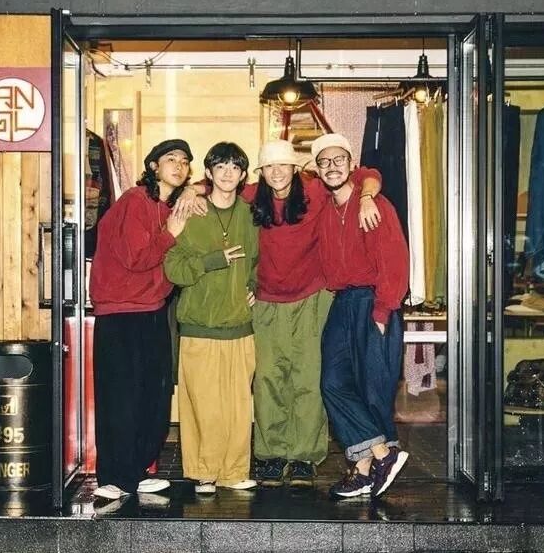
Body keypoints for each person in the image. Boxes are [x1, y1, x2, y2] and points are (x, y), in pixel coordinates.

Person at [246, 139, 382, 487]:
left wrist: (367, 196)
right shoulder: (252, 197)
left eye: (283, 165)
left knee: (307, 378)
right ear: (261, 172)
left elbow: (366, 173)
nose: (277, 172)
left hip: (312, 298)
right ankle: (271, 454)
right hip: (266, 301)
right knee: (268, 379)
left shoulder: (316, 190)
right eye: (269, 167)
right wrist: (192, 193)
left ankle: (304, 456)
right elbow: (215, 186)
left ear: (296, 168)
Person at [89, 138, 196, 501]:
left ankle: (136, 470)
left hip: (152, 310)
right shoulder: (136, 200)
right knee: (120, 397)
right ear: (153, 166)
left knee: (153, 395)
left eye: (184, 161)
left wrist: (192, 193)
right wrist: (171, 235)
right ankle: (114, 477)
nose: (178, 165)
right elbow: (136, 257)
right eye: (170, 159)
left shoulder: (169, 206)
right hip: (121, 313)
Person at [314, 133, 410, 499]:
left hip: (374, 300)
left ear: (352, 164)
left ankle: (364, 469)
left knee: (374, 389)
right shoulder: (325, 208)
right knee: (333, 383)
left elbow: (395, 260)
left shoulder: (374, 204)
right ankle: (383, 454)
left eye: (338, 159)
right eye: (324, 162)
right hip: (342, 302)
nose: (332, 167)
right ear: (317, 170)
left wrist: (383, 309)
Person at [164, 142, 259, 495]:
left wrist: (254, 285)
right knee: (203, 406)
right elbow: (173, 267)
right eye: (220, 166)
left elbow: (261, 261)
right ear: (208, 172)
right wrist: (211, 261)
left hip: (240, 326)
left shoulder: (251, 214)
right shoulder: (190, 211)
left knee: (239, 407)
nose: (228, 173)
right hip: (199, 326)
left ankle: (234, 472)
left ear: (243, 174)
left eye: (235, 167)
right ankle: (204, 472)